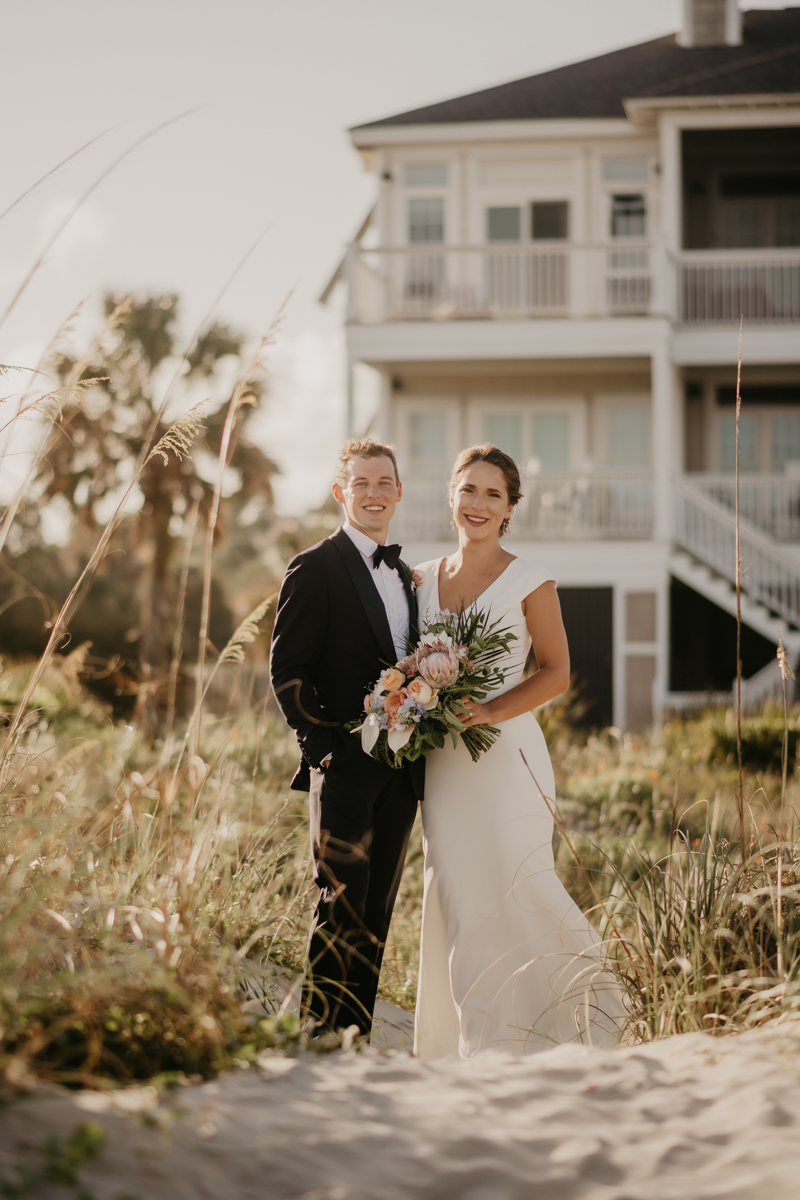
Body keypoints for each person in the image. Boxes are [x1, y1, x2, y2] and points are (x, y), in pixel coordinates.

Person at [413, 443, 625, 1058]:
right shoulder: (418, 578)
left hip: (507, 758)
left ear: (509, 510)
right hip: (444, 765)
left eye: (493, 495)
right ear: (450, 495)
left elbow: (556, 672)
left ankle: (588, 1011)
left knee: (518, 881)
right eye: (469, 489)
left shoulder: (530, 578)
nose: (478, 503)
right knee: (456, 891)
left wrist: (491, 710)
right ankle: (472, 1039)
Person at [270, 438, 423, 1037]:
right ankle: (318, 1032)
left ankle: (353, 1034)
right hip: (342, 767)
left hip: (400, 771)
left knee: (378, 909)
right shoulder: (315, 566)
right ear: (341, 493)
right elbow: (288, 672)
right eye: (361, 483)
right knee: (340, 901)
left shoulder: (407, 577)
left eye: (384, 482)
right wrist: (323, 748)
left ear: (399, 491)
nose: (374, 493)